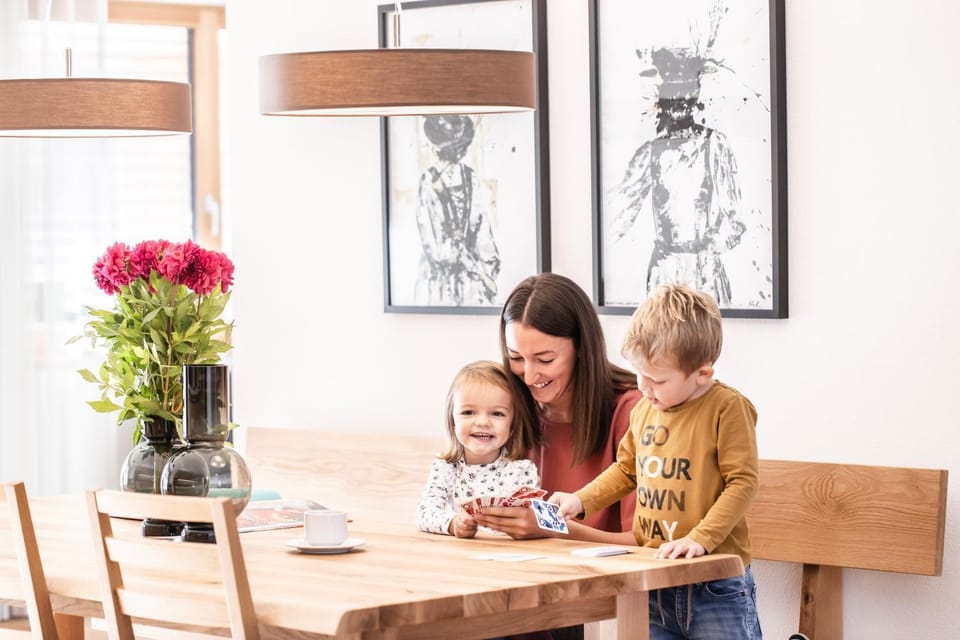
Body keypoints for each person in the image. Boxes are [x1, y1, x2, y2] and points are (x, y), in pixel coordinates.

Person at [550, 284, 762, 639]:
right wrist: (580, 499)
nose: (645, 387)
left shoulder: (727, 408)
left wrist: (701, 538)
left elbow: (742, 482)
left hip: (713, 581)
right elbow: (626, 470)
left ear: (701, 375)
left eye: (658, 379)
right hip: (652, 575)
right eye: (639, 374)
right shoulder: (645, 409)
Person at [473, 273, 642, 543]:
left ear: (581, 348)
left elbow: (645, 544)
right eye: (516, 357)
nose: (528, 377)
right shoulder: (505, 409)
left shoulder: (634, 411)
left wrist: (551, 525)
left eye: (545, 359)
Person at [610, 44, 747, 306]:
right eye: (672, 91)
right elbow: (618, 212)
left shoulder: (714, 144)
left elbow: (734, 219)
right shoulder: (651, 151)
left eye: (686, 91)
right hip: (663, 274)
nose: (680, 100)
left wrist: (707, 251)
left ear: (696, 96)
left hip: (703, 272)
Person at [415, 360, 538, 538]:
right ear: (452, 421)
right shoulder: (445, 467)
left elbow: (529, 523)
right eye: (468, 412)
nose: (482, 422)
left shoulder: (521, 471)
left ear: (512, 426)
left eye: (497, 414)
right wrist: (452, 524)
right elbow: (424, 514)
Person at [415, 114, 502, 307]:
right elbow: (434, 246)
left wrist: (486, 272)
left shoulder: (469, 177)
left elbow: (481, 229)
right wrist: (469, 263)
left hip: (471, 285)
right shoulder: (429, 181)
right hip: (441, 286)